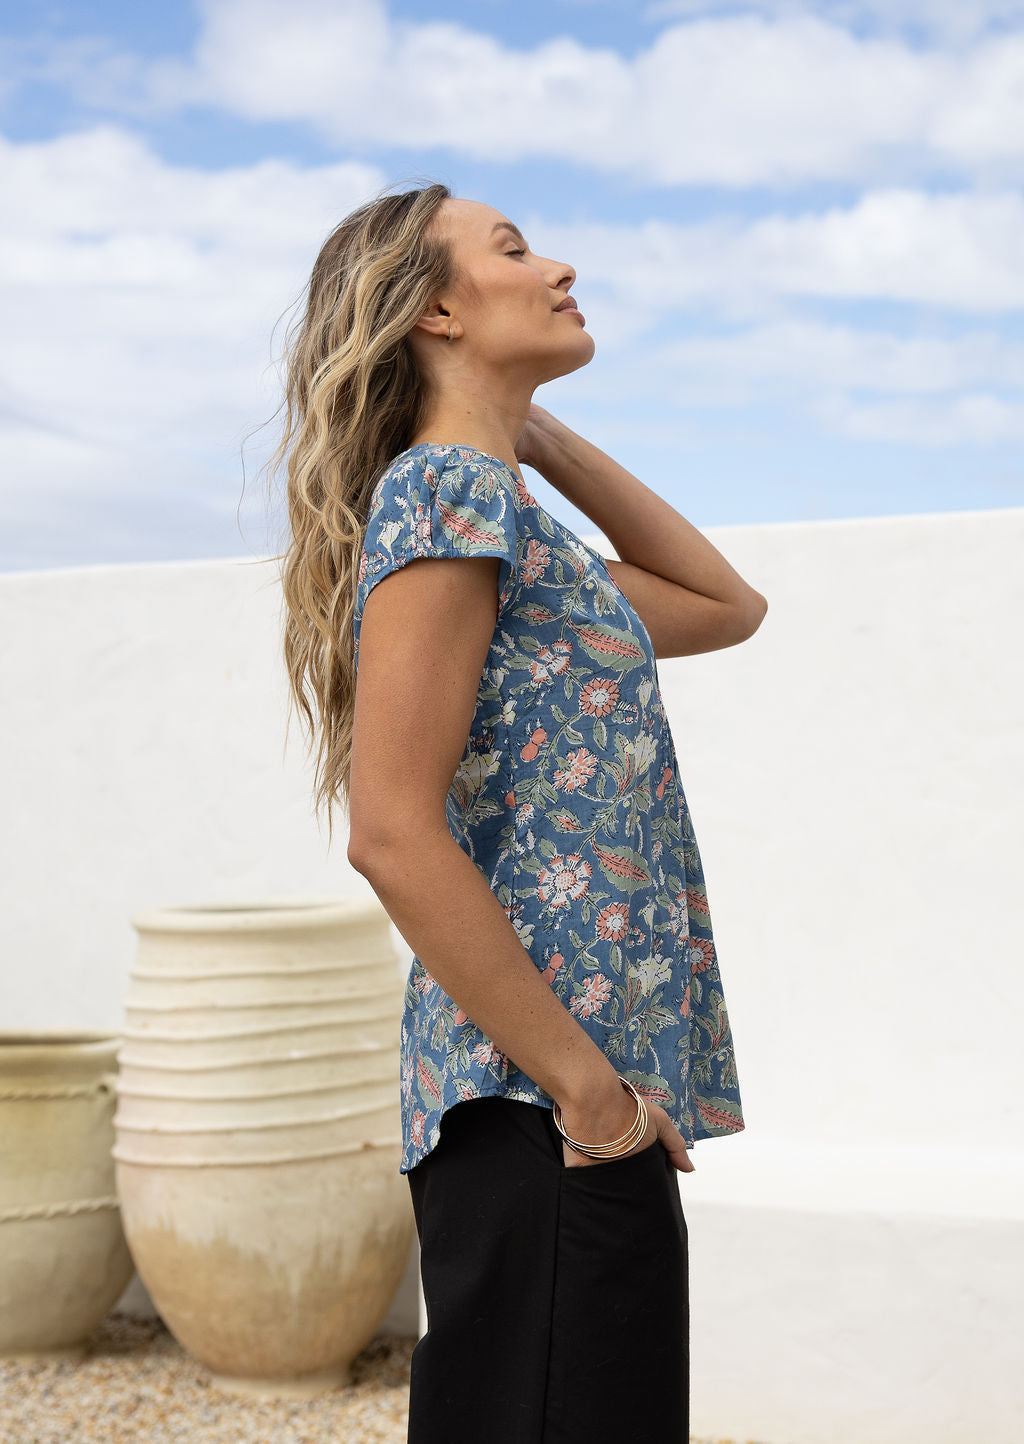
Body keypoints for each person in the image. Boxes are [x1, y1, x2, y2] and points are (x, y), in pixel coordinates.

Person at [274, 181, 766, 1443]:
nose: (559, 267)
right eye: (513, 250)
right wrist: (588, 1098)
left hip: (576, 1102)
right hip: (539, 1101)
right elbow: (391, 828)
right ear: (436, 311)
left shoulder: (508, 518)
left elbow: (725, 606)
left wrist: (533, 433)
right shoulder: (446, 494)